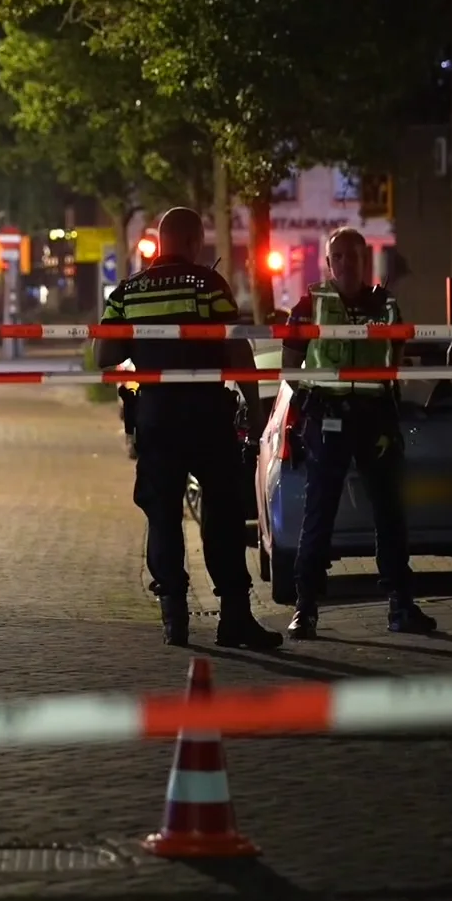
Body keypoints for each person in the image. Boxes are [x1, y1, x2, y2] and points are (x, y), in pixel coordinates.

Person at [94, 207, 282, 650]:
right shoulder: (209, 285)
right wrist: (254, 411)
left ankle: (174, 617)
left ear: (159, 243)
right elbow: (237, 350)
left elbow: (105, 354)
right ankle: (234, 618)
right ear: (197, 242)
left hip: (157, 416)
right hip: (207, 415)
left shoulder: (127, 291)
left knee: (162, 515)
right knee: (221, 514)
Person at [281, 227, 436, 639]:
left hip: (374, 421)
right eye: (340, 257)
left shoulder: (386, 306)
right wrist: (314, 403)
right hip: (327, 420)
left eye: (355, 256)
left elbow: (397, 360)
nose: (347, 263)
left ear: (365, 261)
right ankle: (306, 608)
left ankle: (401, 605)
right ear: (329, 263)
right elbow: (289, 366)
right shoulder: (308, 305)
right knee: (319, 514)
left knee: (390, 514)